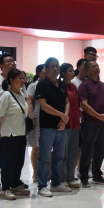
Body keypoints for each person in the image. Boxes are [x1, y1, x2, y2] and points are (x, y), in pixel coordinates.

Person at [0, 54, 26, 193]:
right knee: (0, 155)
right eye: (9, 61)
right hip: (4, 127)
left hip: (18, 128)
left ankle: (14, 183)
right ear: (1, 65)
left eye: (13, 61)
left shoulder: (20, 88)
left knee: (16, 158)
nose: (12, 63)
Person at [35, 57, 71, 196]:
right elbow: (44, 105)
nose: (56, 69)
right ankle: (42, 186)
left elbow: (67, 102)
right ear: (46, 69)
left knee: (59, 157)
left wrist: (64, 118)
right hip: (47, 127)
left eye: (57, 66)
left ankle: (56, 184)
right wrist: (62, 115)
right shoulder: (42, 85)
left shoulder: (61, 85)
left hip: (61, 127)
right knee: (45, 158)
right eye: (52, 66)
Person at [0, 69, 29, 200]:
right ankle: (5, 189)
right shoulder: (6, 96)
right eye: (20, 78)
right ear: (11, 80)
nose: (23, 81)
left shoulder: (21, 94)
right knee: (8, 163)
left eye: (24, 78)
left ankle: (15, 184)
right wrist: (2, 131)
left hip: (21, 134)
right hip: (9, 135)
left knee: (18, 162)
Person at [78, 60, 104, 186]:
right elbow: (84, 104)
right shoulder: (84, 85)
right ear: (87, 70)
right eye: (93, 66)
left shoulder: (102, 85)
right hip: (90, 123)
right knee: (87, 151)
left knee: (100, 150)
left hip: (103, 123)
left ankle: (97, 175)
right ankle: (84, 177)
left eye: (97, 66)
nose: (96, 68)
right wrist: (98, 116)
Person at [60, 63, 82, 188]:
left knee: (73, 152)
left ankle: (70, 177)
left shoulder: (74, 86)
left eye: (73, 70)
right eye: (70, 70)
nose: (73, 72)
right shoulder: (60, 86)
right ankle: (62, 179)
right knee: (64, 153)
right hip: (65, 123)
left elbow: (77, 104)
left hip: (75, 122)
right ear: (63, 73)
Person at [26, 64, 46, 182]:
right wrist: (31, 115)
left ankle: (46, 172)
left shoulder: (51, 84)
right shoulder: (34, 85)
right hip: (37, 117)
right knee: (36, 147)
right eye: (44, 69)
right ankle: (35, 173)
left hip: (49, 117)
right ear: (39, 72)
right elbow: (29, 101)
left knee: (47, 148)